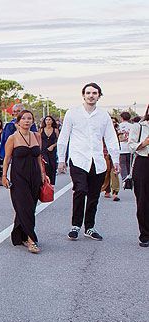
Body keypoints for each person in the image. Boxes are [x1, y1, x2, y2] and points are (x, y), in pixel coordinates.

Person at [57, 83, 120, 241]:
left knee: (93, 195)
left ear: (99, 95)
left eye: (94, 93)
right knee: (80, 190)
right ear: (83, 95)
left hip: (97, 161)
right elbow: (64, 137)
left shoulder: (103, 115)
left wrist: (116, 160)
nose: (91, 95)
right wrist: (61, 160)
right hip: (78, 159)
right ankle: (76, 225)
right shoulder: (72, 113)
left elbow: (111, 138)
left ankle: (89, 227)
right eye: (88, 93)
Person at [2, 110, 49, 254]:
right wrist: (4, 176)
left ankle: (19, 235)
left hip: (34, 175)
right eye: (24, 118)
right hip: (18, 176)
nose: (27, 121)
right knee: (24, 206)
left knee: (31, 206)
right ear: (18, 122)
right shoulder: (12, 138)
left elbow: (38, 156)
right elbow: (7, 158)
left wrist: (43, 174)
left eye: (30, 118)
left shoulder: (37, 136)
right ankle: (31, 240)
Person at [128, 110, 149, 247]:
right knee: (143, 200)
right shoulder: (139, 126)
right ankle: (145, 234)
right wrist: (144, 143)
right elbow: (131, 146)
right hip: (144, 162)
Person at [40, 115, 59, 186]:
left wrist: (53, 146)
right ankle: (46, 181)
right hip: (43, 150)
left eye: (49, 119)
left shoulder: (55, 130)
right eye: (46, 120)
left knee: (53, 166)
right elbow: (39, 140)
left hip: (52, 150)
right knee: (46, 165)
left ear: (52, 121)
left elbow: (58, 140)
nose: (48, 121)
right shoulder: (41, 130)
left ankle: (52, 183)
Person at [117, 111, 133, 180]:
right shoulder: (132, 126)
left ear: (122, 118)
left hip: (122, 148)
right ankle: (130, 176)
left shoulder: (119, 126)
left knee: (122, 164)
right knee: (129, 163)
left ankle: (124, 178)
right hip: (130, 147)